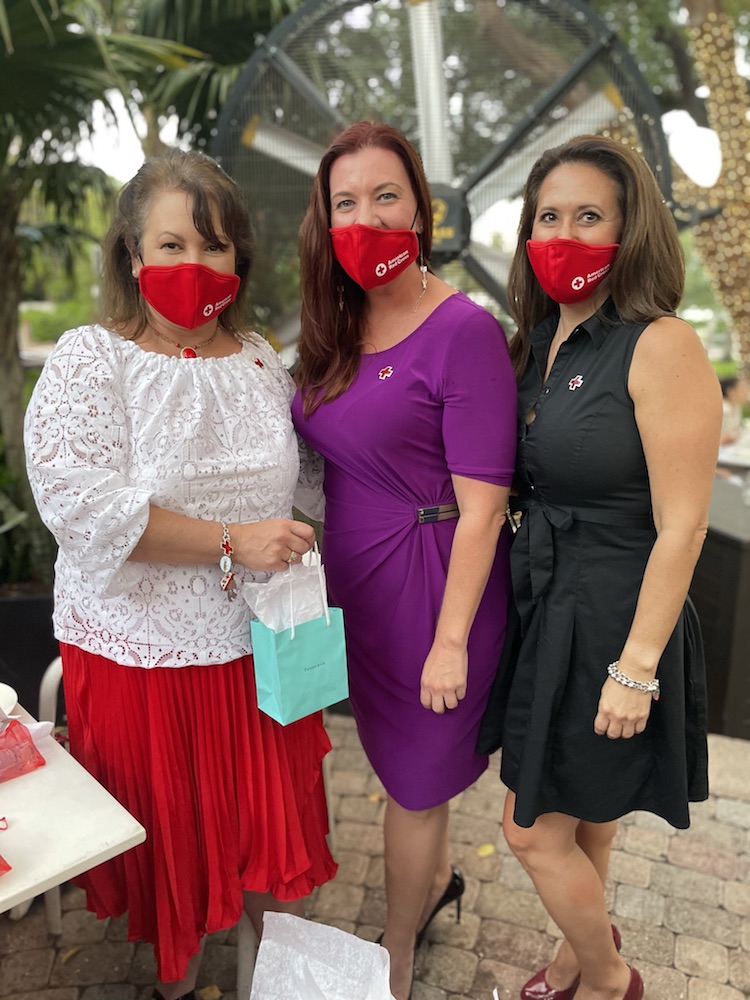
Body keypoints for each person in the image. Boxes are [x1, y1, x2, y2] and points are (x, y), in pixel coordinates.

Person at [23, 149, 337, 1000]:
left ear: (240, 260)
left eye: (214, 246)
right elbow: (85, 506)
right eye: (170, 246)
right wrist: (234, 540)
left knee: (258, 842)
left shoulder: (264, 362)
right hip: (142, 657)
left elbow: (309, 482)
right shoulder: (94, 361)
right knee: (176, 853)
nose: (192, 267)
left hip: (261, 650)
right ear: (133, 255)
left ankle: (272, 965)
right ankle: (179, 978)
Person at [476, 134, 722, 1000]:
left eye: (589, 216)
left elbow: (685, 527)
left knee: (531, 830)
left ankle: (611, 977)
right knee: (588, 819)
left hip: (618, 615)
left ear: (628, 232)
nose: (564, 233)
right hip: (548, 602)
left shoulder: (661, 345)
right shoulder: (539, 342)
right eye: (549, 216)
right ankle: (577, 958)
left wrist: (637, 667)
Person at [292, 121, 517, 1000]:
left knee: (415, 785)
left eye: (385, 195)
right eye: (345, 202)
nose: (365, 216)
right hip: (356, 595)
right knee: (400, 767)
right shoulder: (336, 316)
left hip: (435, 592)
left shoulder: (462, 329)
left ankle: (393, 953)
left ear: (422, 208)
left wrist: (453, 640)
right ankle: (436, 885)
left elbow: (487, 502)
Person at [719, 375, 748, 445]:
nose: (746, 392)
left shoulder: (737, 407)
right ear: (731, 391)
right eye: (742, 389)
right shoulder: (721, 410)